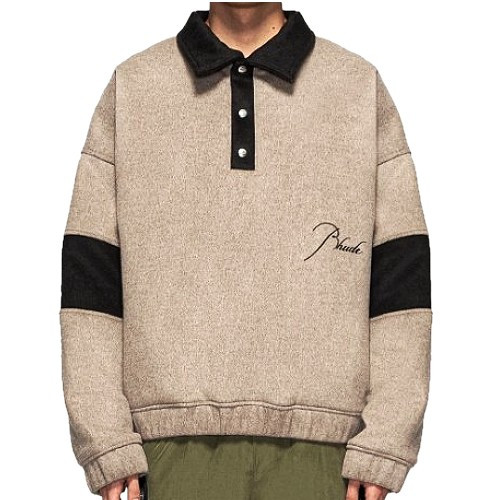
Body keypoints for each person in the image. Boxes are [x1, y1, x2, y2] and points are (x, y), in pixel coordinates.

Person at [59, 3, 432, 500]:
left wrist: (387, 438)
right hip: (166, 448)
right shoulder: (134, 87)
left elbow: (401, 278)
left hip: (329, 450)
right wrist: (104, 437)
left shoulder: (357, 86)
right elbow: (90, 280)